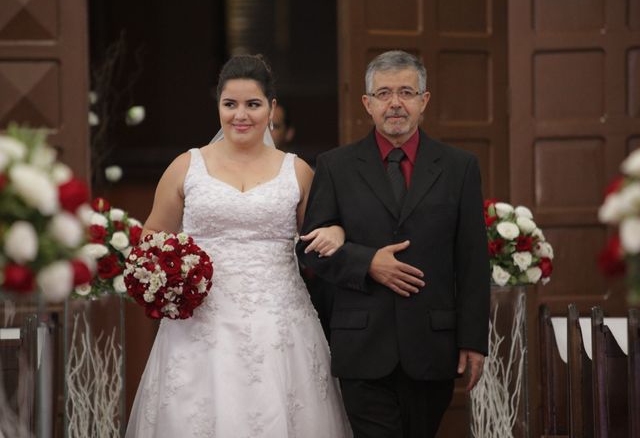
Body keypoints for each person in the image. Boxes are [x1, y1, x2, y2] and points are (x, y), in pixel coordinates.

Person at [125, 55, 352, 437]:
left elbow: (321, 232)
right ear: (218, 107)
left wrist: (339, 233)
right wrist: (171, 273)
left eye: (253, 104)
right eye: (230, 104)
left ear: (271, 108)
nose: (240, 115)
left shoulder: (296, 170)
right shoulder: (187, 166)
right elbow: (152, 238)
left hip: (279, 321)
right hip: (201, 321)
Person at [297, 50, 490, 438]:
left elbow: (472, 259)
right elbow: (311, 249)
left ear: (424, 100)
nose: (395, 103)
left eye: (406, 91)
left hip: (433, 345)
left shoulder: (459, 167)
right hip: (362, 344)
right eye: (384, 93)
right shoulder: (335, 166)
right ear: (367, 104)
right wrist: (367, 262)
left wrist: (473, 340)